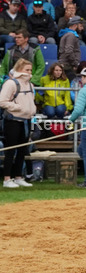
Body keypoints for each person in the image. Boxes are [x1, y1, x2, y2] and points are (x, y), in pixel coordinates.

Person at [1, 58, 35, 188]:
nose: (29, 72)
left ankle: (18, 176)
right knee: (11, 149)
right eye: (27, 70)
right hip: (13, 120)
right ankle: (7, 178)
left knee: (23, 150)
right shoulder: (11, 83)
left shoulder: (30, 85)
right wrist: (17, 107)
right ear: (19, 69)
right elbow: (2, 101)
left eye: (31, 70)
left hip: (26, 120)